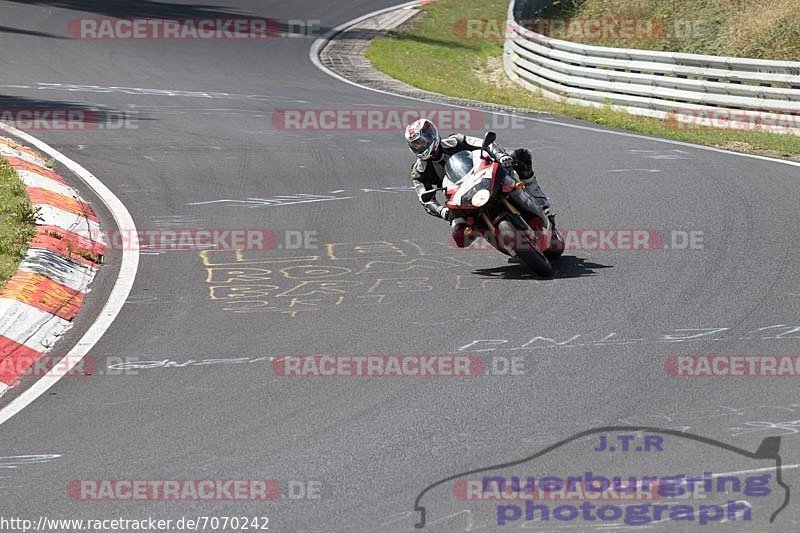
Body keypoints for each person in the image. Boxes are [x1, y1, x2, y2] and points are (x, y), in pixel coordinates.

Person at [404, 118, 556, 249]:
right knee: (459, 237)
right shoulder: (418, 172)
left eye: (422, 142)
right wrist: (443, 211)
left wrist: (501, 156)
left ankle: (537, 197)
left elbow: (485, 144)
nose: (420, 147)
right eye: (415, 145)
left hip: (483, 178)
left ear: (432, 136)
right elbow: (425, 199)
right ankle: (491, 234)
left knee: (520, 157)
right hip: (460, 200)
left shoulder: (457, 141)